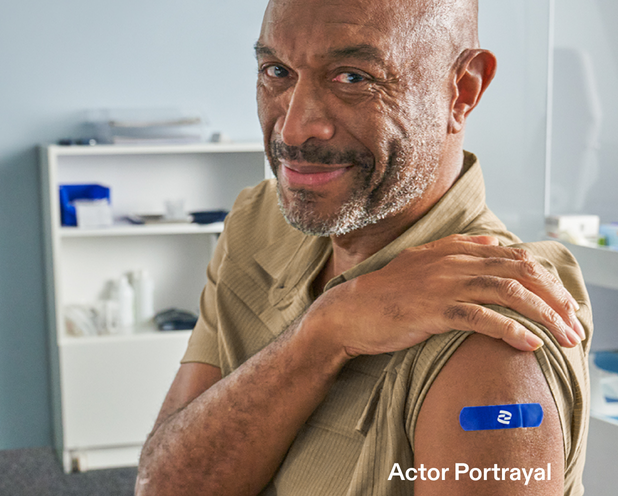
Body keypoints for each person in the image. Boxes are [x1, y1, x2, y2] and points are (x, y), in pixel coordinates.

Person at [136, 0, 592, 494]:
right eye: (277, 71)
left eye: (353, 77)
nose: (292, 128)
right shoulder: (257, 222)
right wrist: (324, 333)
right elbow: (162, 484)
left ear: (462, 91)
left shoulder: (491, 331)